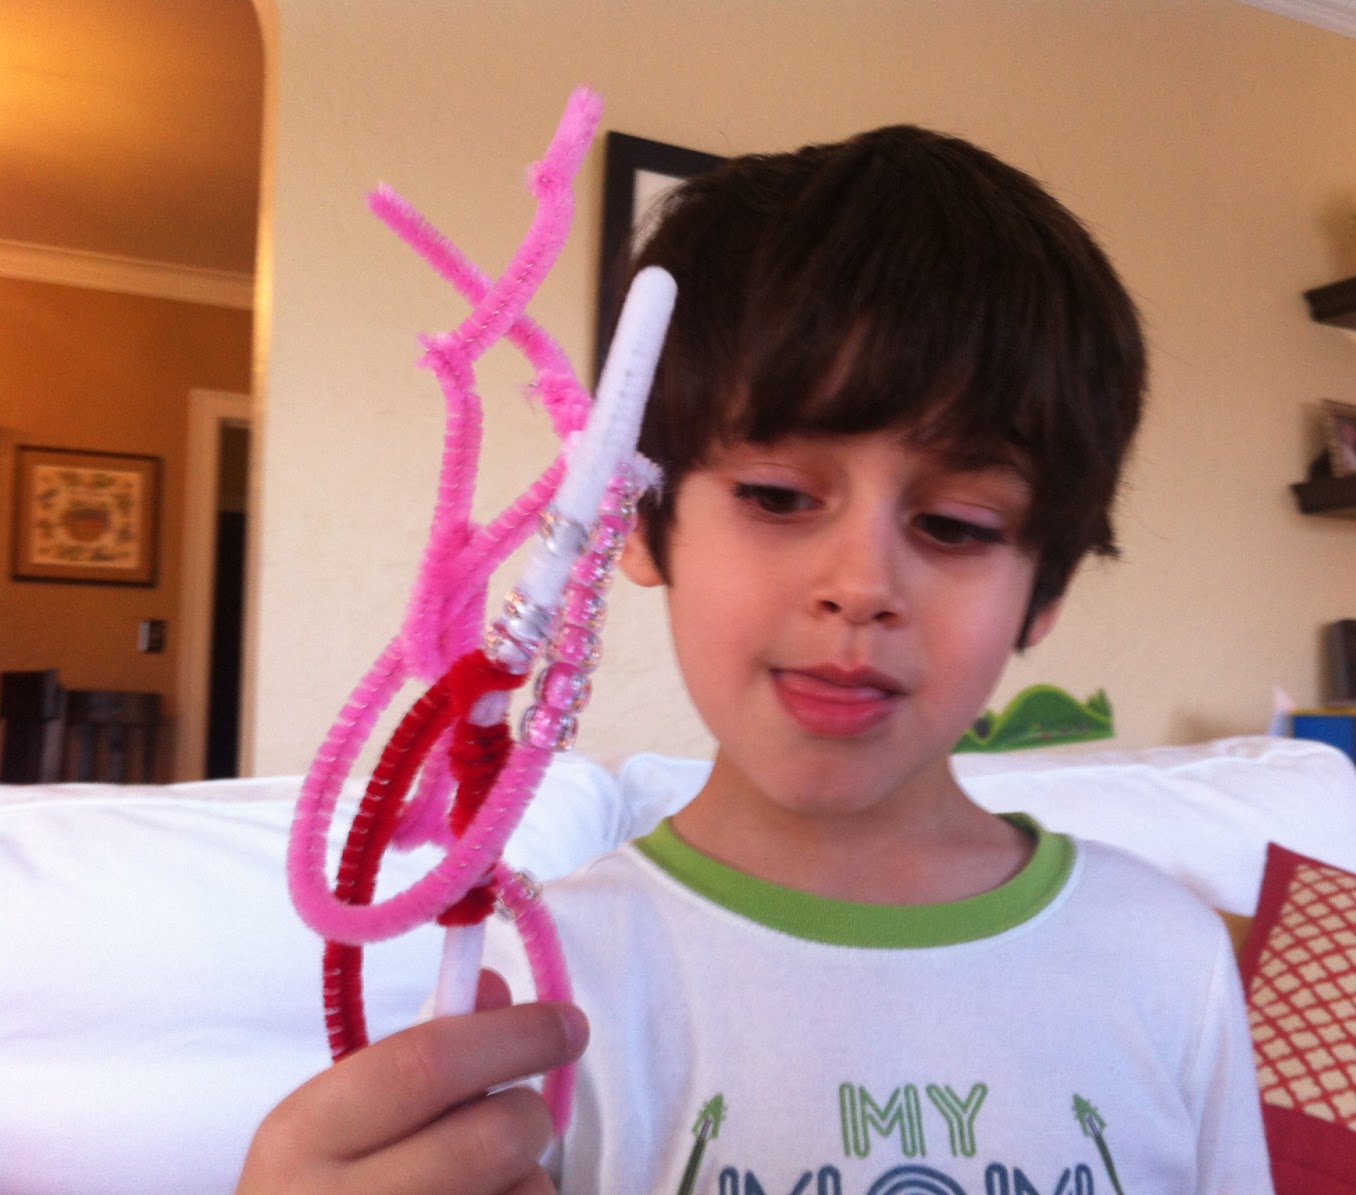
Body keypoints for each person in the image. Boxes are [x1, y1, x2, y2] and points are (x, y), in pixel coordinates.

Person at [240, 125, 1272, 1193]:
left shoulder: (1168, 958)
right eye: (777, 496)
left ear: (1045, 589)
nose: (860, 584)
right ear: (639, 520)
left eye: (956, 524)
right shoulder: (541, 988)